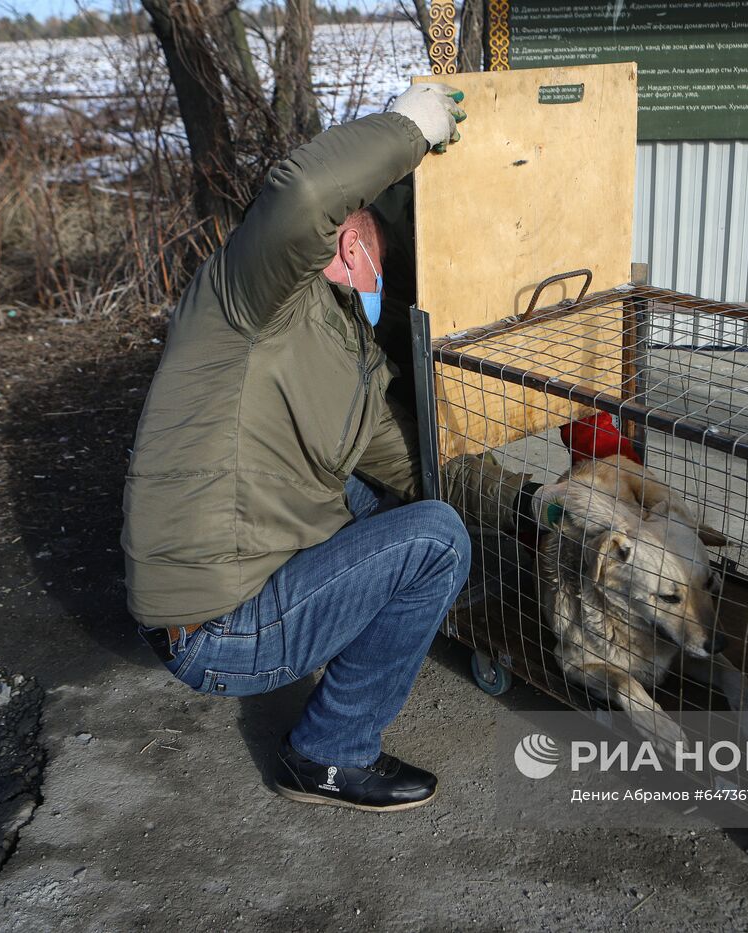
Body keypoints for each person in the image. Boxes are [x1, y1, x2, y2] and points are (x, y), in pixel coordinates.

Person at [122, 84, 471, 813]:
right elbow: (307, 187)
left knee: (397, 503)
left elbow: (413, 464)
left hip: (234, 585)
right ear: (350, 245)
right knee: (437, 542)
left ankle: (337, 683)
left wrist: (524, 506)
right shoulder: (251, 300)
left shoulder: (348, 352)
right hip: (213, 629)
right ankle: (331, 754)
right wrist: (412, 126)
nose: (392, 284)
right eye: (386, 260)